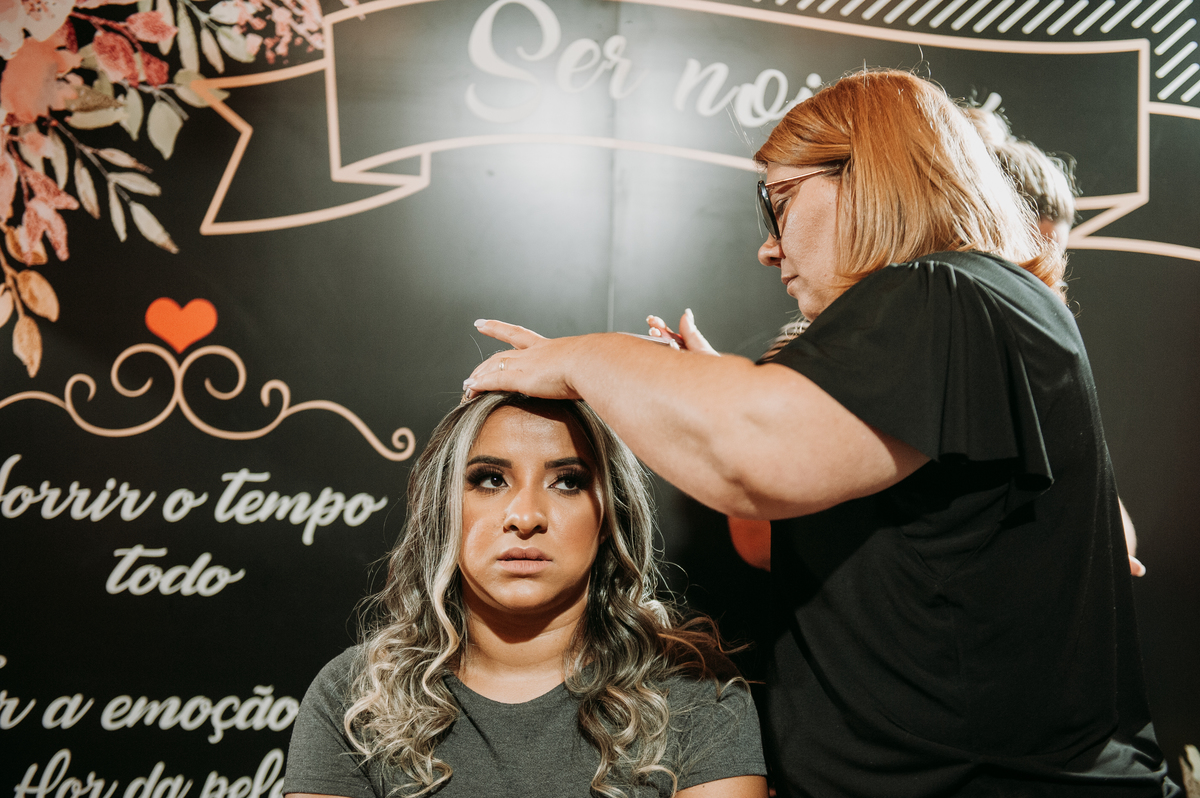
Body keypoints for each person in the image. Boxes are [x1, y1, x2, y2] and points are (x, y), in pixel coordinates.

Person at [462, 69, 1177, 796]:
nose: (769, 248)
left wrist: (583, 358)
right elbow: (771, 526)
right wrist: (702, 395)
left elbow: (754, 461)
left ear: (869, 178)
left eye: (780, 201)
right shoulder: (973, 310)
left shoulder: (947, 292)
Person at [282, 392, 768, 798]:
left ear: (608, 517)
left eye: (567, 482)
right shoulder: (355, 696)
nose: (526, 516)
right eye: (490, 479)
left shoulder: (696, 692)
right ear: (443, 508)